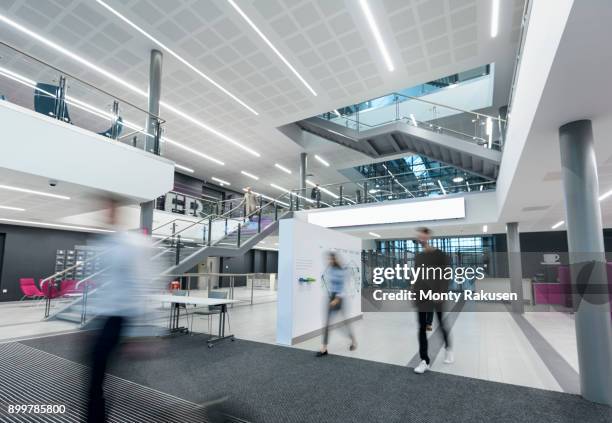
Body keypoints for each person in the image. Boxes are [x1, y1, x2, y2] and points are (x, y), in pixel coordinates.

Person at [86, 198, 160, 422]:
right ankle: (96, 415)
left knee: (101, 374)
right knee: (97, 373)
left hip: (121, 319)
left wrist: (141, 333)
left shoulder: (133, 245)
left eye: (110, 210)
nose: (105, 215)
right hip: (105, 317)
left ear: (119, 214)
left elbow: (143, 283)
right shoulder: (104, 244)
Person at [412, 227, 454, 374]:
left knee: (441, 323)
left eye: (423, 236)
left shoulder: (439, 255)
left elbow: (446, 275)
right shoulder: (418, 256)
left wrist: (441, 293)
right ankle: (425, 361)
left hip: (437, 296)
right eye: (419, 237)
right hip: (423, 297)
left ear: (428, 237)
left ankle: (448, 348)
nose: (421, 239)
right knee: (422, 328)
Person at [317, 252, 357, 357]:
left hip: (339, 298)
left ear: (335, 259)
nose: (329, 261)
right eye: (328, 259)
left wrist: (336, 299)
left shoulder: (342, 271)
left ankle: (353, 340)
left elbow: (343, 287)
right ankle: (324, 348)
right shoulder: (330, 269)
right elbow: (328, 283)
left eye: (331, 259)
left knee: (343, 324)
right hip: (331, 296)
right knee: (327, 324)